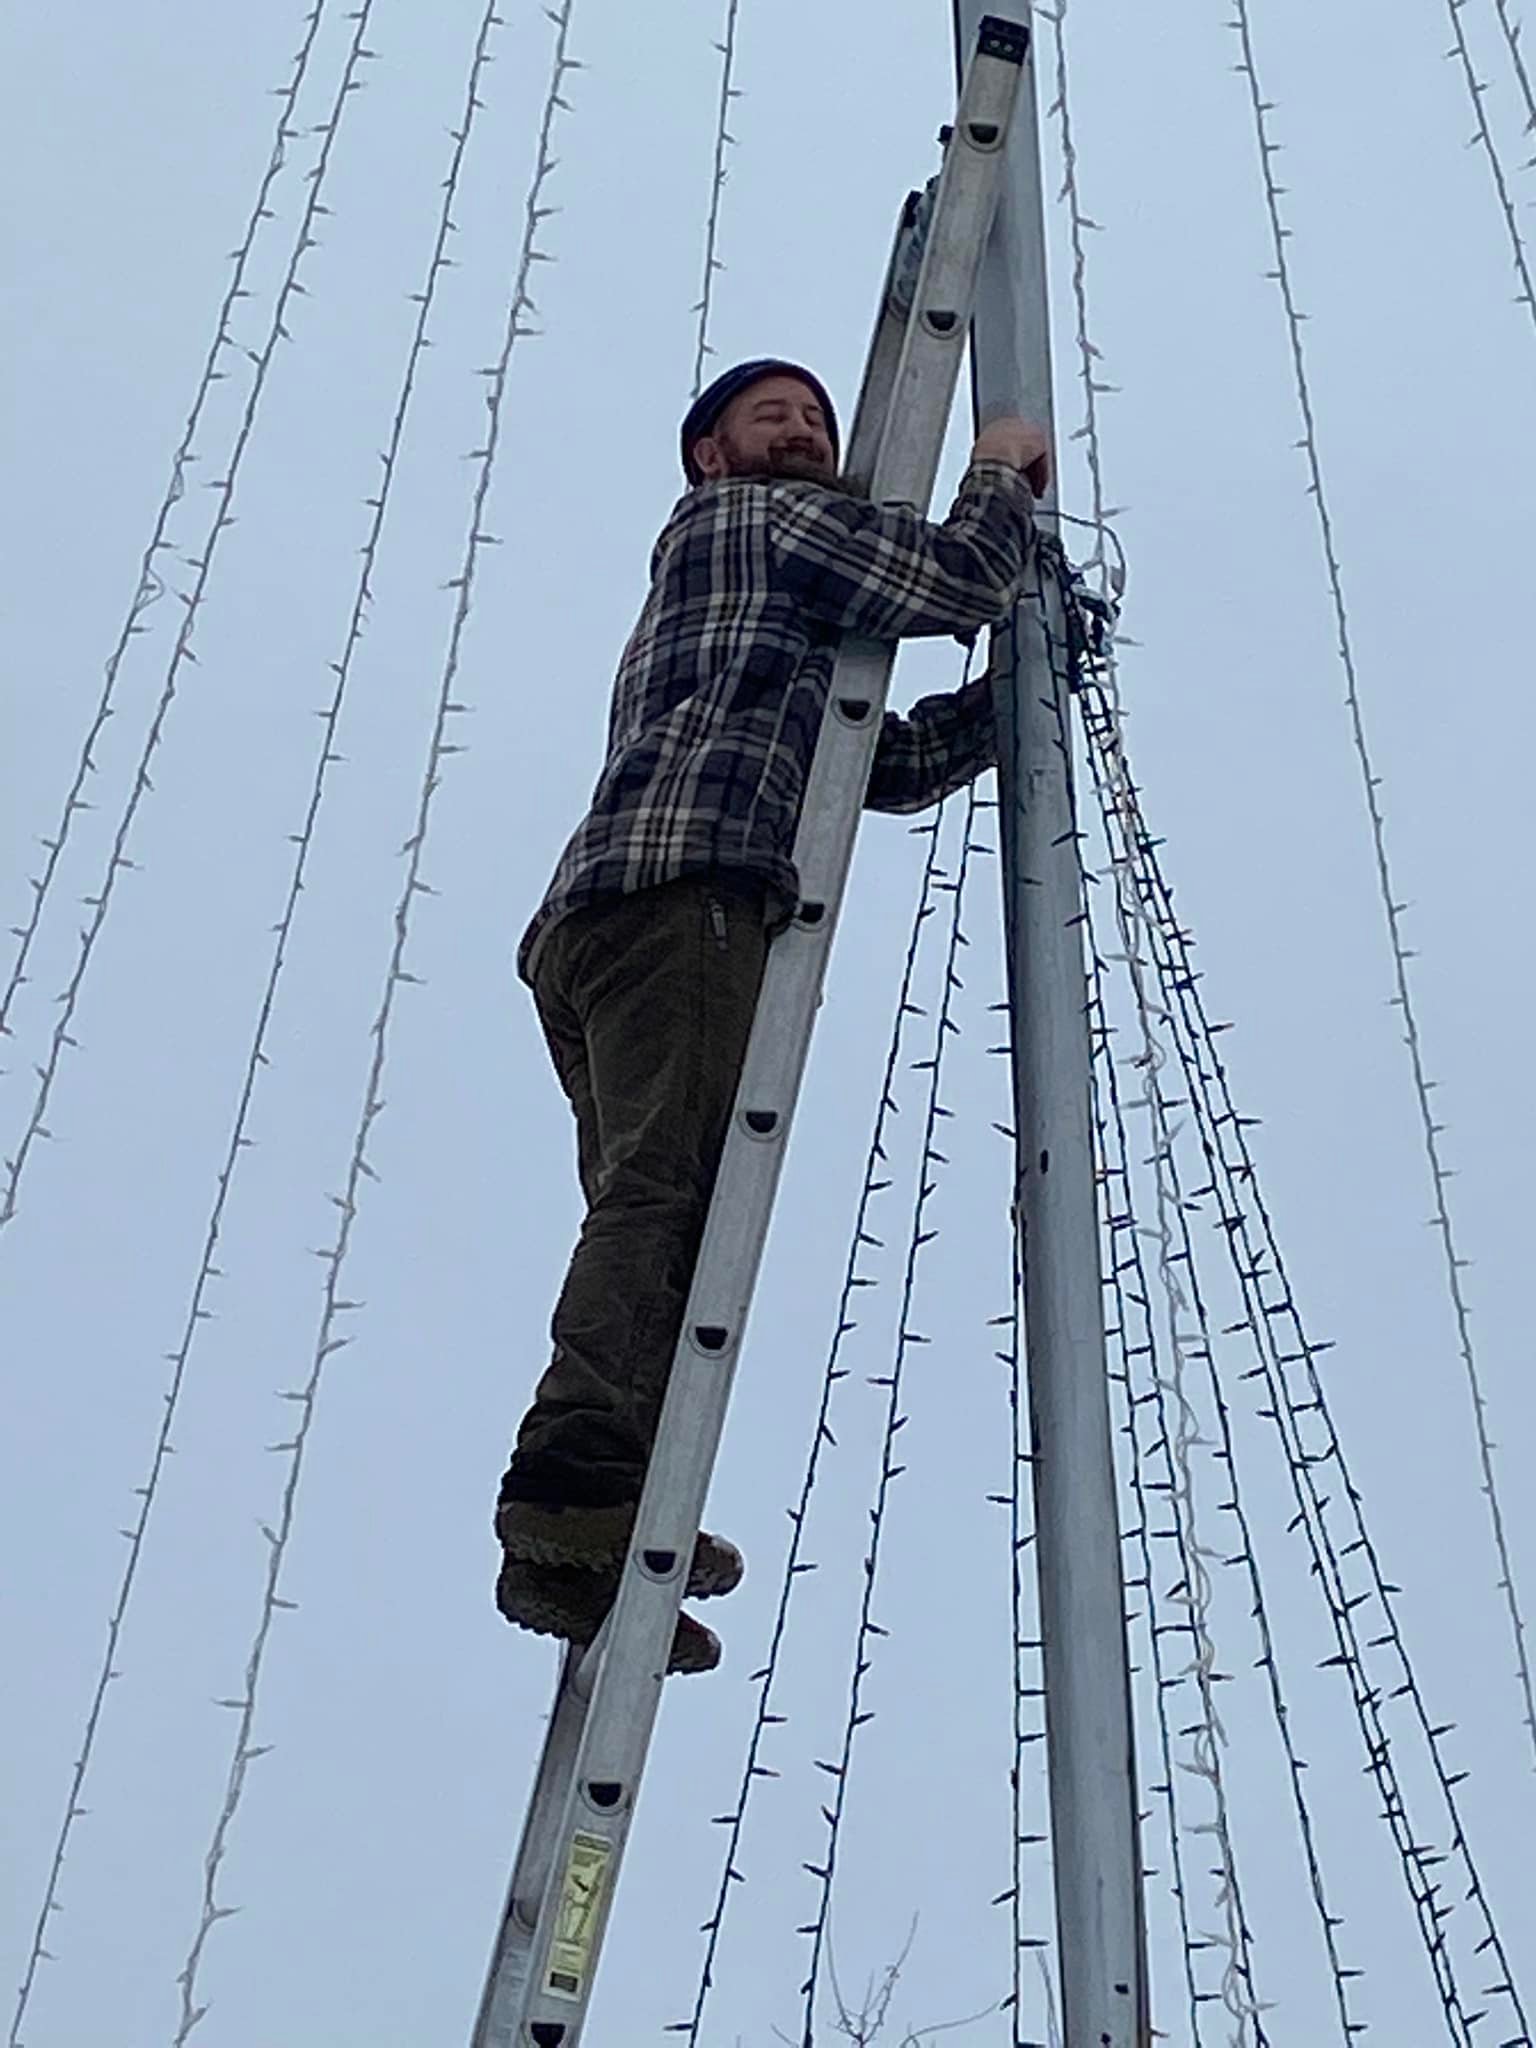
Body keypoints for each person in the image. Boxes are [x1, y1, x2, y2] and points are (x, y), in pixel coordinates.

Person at [495, 357, 1049, 1673]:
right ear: (712, 453)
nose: (801, 431)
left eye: (814, 417)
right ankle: (570, 1488)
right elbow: (954, 580)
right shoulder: (749, 522)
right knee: (666, 1199)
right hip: (677, 894)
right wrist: (999, 475)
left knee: (660, 1217)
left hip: (622, 912)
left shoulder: (774, 611)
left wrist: (1020, 697)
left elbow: (877, 763)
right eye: (770, 417)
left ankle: (580, 1547)